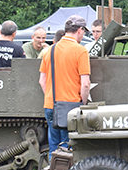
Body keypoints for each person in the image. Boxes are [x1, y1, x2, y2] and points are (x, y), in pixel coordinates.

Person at [39, 15, 91, 153]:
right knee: (68, 150)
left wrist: (51, 97)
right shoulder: (81, 50)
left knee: (53, 148)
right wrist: (83, 103)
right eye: (84, 32)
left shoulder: (49, 50)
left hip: (51, 105)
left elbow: (42, 80)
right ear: (80, 30)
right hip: (71, 106)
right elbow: (85, 84)